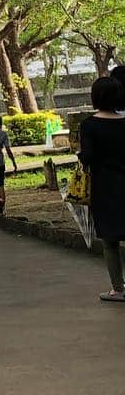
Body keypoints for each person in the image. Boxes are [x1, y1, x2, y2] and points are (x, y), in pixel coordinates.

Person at [78, 77, 125, 302]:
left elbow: (87, 157)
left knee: (110, 239)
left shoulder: (89, 125)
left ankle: (118, 288)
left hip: (105, 187)